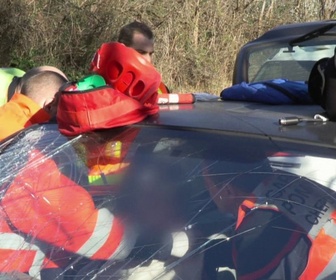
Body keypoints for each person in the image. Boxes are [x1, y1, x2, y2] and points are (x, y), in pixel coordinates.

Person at [203, 158, 336, 280]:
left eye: (207, 186)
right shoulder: (289, 180)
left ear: (227, 191)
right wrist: (213, 253)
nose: (208, 193)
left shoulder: (257, 236)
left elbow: (267, 248)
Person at [0, 67, 67, 141]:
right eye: (57, 116)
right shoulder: (21, 136)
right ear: (49, 106)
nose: (56, 123)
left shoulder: (7, 108)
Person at [118, 21, 170, 94]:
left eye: (150, 54)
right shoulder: (101, 86)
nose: (148, 60)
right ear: (122, 50)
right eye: (141, 52)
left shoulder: (160, 89)